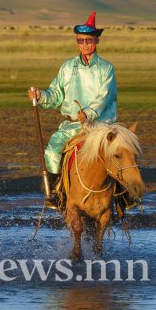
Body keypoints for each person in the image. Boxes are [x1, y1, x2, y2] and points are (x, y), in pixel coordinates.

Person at [28, 12, 117, 210]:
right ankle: (56, 194)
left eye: (89, 40)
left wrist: (88, 113)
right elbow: (56, 93)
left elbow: (104, 97)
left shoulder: (106, 69)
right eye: (80, 41)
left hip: (99, 125)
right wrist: (41, 96)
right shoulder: (68, 67)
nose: (85, 44)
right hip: (71, 126)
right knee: (51, 152)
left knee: (119, 153)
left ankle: (123, 196)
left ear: (96, 40)